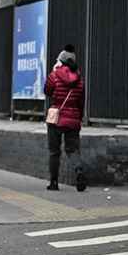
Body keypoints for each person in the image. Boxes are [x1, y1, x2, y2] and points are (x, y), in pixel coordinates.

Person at [44, 45, 85, 191]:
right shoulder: (80, 79)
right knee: (73, 149)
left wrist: (53, 71)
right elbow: (81, 102)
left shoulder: (54, 75)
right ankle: (79, 170)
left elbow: (47, 91)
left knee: (54, 151)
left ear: (61, 61)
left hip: (56, 119)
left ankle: (54, 183)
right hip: (73, 119)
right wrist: (78, 119)